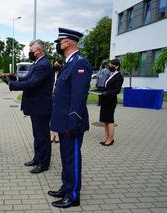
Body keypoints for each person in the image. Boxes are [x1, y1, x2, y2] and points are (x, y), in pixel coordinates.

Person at [48, 27, 92, 208]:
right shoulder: (69, 62)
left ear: (67, 42)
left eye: (59, 42)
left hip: (71, 121)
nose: (58, 45)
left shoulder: (80, 62)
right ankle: (66, 187)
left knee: (72, 157)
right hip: (62, 119)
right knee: (66, 157)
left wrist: (73, 121)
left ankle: (73, 196)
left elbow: (79, 96)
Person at [0, 39, 54, 174]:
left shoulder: (44, 64)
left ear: (39, 51)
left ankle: (44, 163)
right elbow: (27, 79)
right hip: (36, 106)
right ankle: (37, 158)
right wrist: (14, 79)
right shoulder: (37, 62)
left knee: (42, 136)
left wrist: (11, 84)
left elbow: (32, 84)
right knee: (37, 135)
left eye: (31, 50)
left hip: (41, 106)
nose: (29, 52)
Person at [99, 59, 124, 146]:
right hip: (105, 100)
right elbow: (107, 86)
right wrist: (101, 91)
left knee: (109, 120)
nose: (110, 67)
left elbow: (117, 90)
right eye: (109, 65)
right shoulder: (111, 74)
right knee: (105, 120)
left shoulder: (119, 76)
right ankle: (106, 138)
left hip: (111, 101)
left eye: (111, 66)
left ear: (117, 66)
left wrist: (107, 92)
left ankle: (110, 140)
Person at [50, 59, 64, 144]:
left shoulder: (62, 73)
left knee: (58, 116)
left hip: (59, 97)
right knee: (51, 116)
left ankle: (57, 134)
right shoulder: (51, 74)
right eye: (54, 64)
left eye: (58, 64)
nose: (56, 65)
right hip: (50, 96)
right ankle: (52, 134)